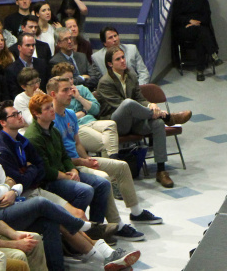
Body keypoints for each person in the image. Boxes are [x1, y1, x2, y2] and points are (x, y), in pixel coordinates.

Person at [47, 77, 160, 233]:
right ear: (53, 94)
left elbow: (77, 143)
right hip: (69, 165)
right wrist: (82, 162)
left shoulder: (71, 114)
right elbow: (60, 157)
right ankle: (117, 225)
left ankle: (136, 212)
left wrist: (87, 159)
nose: (70, 93)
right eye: (65, 90)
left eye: (70, 89)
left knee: (121, 166)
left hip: (80, 160)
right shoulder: (50, 121)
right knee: (104, 178)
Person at [94, 46, 191, 188]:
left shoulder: (131, 75)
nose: (122, 61)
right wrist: (151, 111)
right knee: (127, 104)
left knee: (157, 124)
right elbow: (120, 106)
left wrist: (151, 104)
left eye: (123, 57)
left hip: (135, 120)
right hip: (115, 124)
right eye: (118, 59)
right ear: (110, 64)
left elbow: (140, 98)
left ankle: (161, 170)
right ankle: (168, 117)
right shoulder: (105, 82)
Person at [169, 0, 220, 79]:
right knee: (202, 32)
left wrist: (197, 22)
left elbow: (207, 15)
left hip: (200, 29)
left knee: (200, 36)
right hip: (185, 30)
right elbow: (176, 17)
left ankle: (200, 71)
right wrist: (189, 21)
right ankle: (213, 54)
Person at [5, 33, 49, 99]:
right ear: (19, 47)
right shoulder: (11, 69)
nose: (31, 48)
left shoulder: (42, 63)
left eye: (33, 45)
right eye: (28, 45)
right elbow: (13, 93)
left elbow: (46, 85)